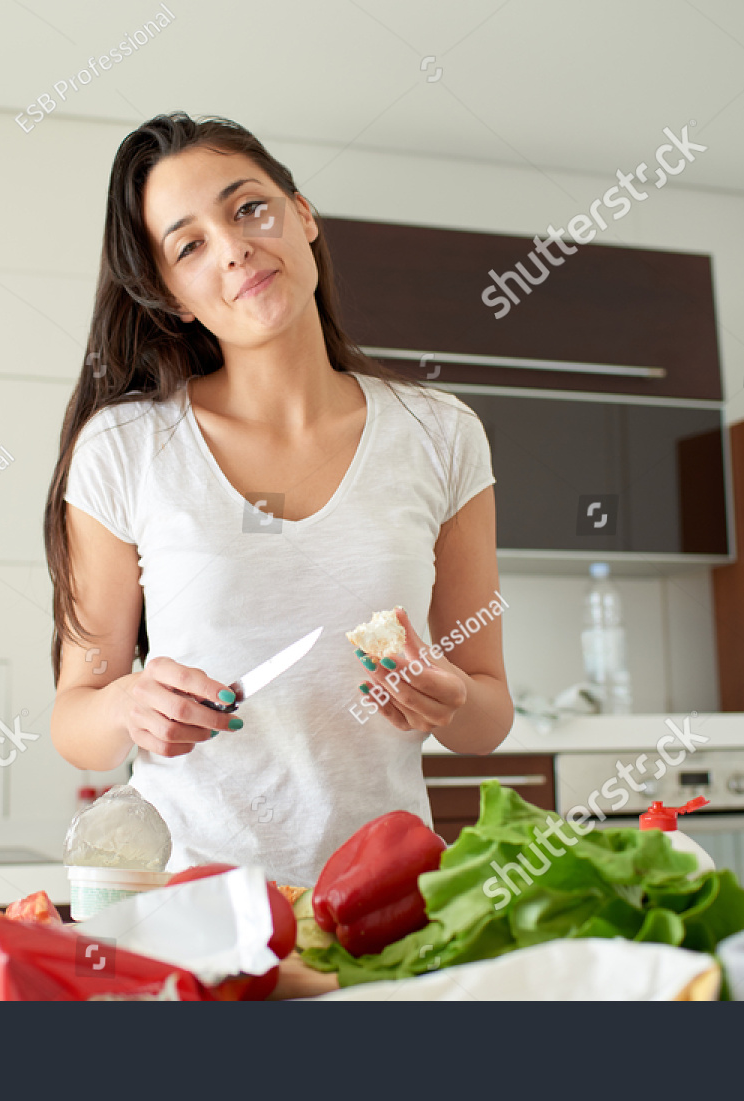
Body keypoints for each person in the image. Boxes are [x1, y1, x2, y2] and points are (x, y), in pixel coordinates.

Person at [44, 112, 514, 888]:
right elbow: (77, 720)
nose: (234, 248)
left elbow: (487, 716)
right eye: (189, 245)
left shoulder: (441, 433)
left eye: (248, 209)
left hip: (386, 904)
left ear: (302, 216)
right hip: (193, 903)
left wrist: (450, 697)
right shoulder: (125, 447)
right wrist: (131, 704)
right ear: (175, 296)